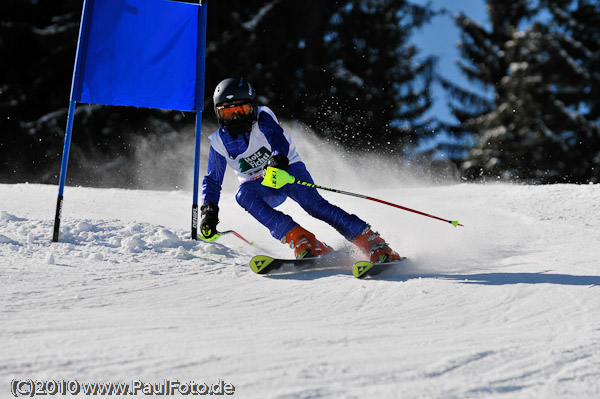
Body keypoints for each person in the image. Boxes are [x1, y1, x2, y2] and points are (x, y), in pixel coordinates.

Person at [200, 77, 400, 263]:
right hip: (259, 185)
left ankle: (373, 242)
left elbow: (275, 135)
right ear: (219, 114)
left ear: (252, 107)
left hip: (286, 171)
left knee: (313, 206)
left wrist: (278, 158)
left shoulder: (262, 116)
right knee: (242, 195)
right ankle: (303, 240)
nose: (235, 117)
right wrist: (209, 211)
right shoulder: (219, 142)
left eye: (241, 110)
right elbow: (213, 180)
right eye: (227, 112)